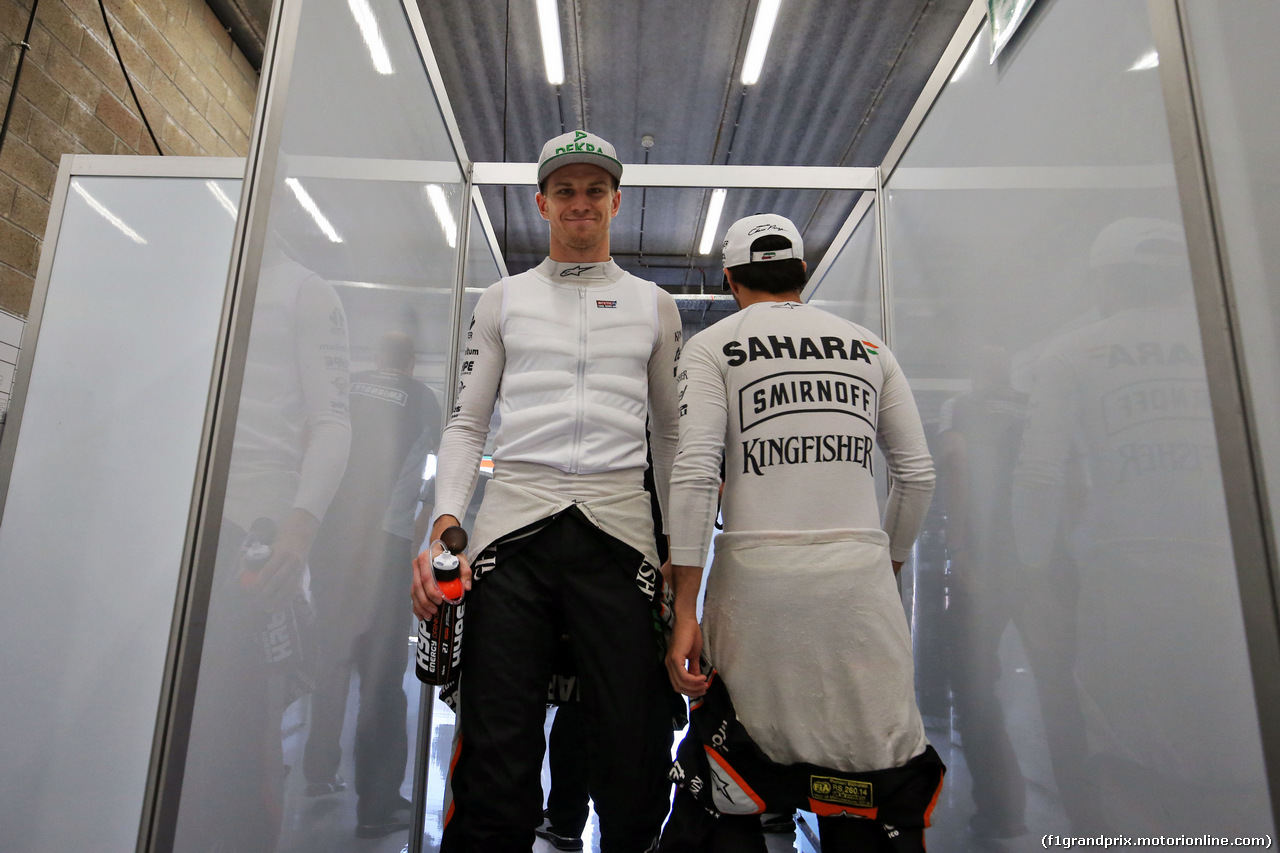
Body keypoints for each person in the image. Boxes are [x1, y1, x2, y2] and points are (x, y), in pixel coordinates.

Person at [410, 129, 682, 852]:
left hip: (619, 533)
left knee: (633, 751)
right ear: (542, 203)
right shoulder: (502, 299)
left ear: (616, 202)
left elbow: (672, 439)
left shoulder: (656, 305)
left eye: (595, 189)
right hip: (514, 533)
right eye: (565, 190)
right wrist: (444, 526)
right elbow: (467, 424)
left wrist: (684, 570)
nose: (581, 202)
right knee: (497, 752)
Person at [662, 214, 943, 852]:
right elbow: (917, 477)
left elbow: (698, 471)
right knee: (867, 792)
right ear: (803, 274)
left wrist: (684, 606)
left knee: (730, 789)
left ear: (729, 278)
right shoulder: (870, 349)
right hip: (858, 590)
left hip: (754, 592)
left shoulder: (714, 346)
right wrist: (887, 564)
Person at [302, 331, 441, 838]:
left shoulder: (351, 388)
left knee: (331, 657)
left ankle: (318, 773)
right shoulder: (424, 400)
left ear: (379, 357)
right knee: (382, 673)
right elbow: (432, 477)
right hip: (385, 542)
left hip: (332, 538)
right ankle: (377, 804)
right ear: (410, 361)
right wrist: (417, 544)